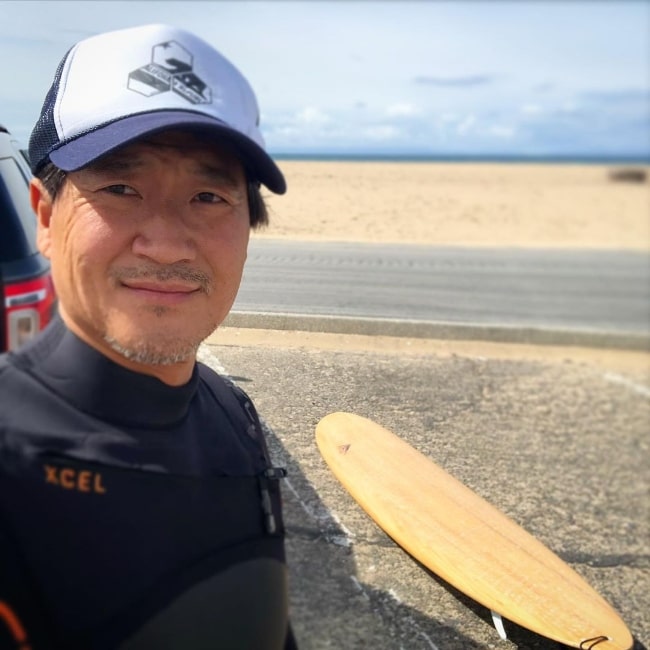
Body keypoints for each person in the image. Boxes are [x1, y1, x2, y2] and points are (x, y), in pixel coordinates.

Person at [0, 23, 297, 649]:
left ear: (248, 230)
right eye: (120, 188)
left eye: (209, 195)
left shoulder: (231, 411)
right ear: (46, 217)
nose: (164, 244)